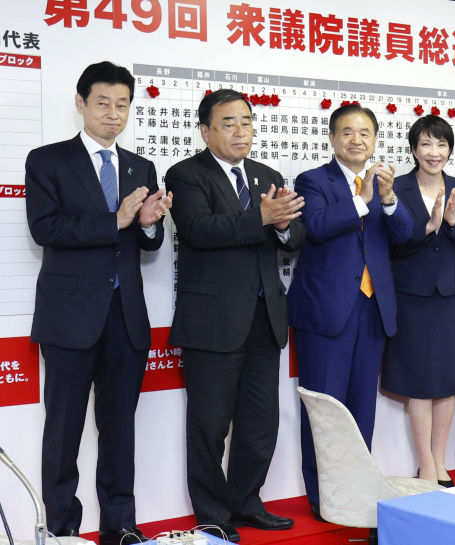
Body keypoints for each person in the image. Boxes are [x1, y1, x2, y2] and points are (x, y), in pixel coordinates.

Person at [25, 61, 170, 545]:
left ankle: (120, 525)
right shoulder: (47, 161)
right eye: (103, 103)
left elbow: (149, 241)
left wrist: (147, 223)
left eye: (122, 104)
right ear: (81, 103)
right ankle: (62, 529)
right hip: (70, 317)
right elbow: (45, 228)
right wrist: (116, 220)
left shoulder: (139, 167)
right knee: (63, 430)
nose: (113, 114)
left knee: (119, 428)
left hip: (125, 316)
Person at [166, 89, 305, 543]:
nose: (241, 131)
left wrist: (282, 226)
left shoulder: (267, 175)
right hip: (213, 322)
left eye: (246, 122)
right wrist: (262, 218)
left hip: (265, 318)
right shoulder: (186, 174)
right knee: (209, 426)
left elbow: (293, 236)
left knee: (260, 423)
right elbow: (198, 230)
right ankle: (212, 513)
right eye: (229, 123)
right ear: (205, 131)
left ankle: (247, 501)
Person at [287, 104, 412, 516]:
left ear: (374, 139)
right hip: (326, 312)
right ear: (332, 138)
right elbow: (316, 227)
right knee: (325, 409)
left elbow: (405, 234)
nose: (356, 140)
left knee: (362, 407)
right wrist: (361, 199)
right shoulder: (313, 180)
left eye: (364, 133)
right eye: (347, 132)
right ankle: (323, 497)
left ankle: (357, 490)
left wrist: (389, 199)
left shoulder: (385, 182)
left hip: (373, 309)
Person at [382, 115, 455, 486]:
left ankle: (441, 461)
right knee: (420, 382)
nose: (434, 152)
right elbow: (391, 243)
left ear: (450, 150)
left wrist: (454, 223)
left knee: (448, 382)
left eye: (441, 144)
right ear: (414, 149)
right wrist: (426, 228)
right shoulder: (398, 188)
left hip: (452, 298)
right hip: (413, 297)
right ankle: (425, 464)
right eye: (426, 144)